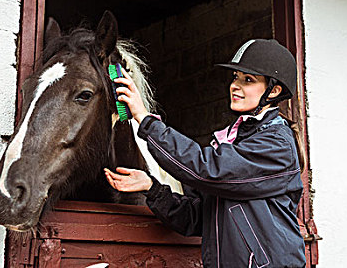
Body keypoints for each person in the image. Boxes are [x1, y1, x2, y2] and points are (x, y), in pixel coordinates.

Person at [105, 38, 306, 268]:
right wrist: (151, 188)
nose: (235, 85)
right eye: (235, 78)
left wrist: (144, 118)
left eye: (248, 80)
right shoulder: (234, 141)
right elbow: (196, 218)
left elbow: (207, 169)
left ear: (274, 91)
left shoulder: (276, 144)